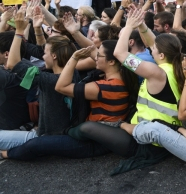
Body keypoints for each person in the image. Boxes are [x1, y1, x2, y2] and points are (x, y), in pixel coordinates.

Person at [64, 7, 185, 168]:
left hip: (148, 142)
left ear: (161, 55)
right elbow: (152, 42)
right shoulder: (176, 66)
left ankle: (65, 133)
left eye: (154, 49)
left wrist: (128, 26)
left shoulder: (156, 71)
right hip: (159, 133)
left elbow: (120, 54)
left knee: (87, 128)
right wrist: (141, 25)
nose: (151, 48)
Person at [0, 40, 139, 161]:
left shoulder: (106, 87)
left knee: (36, 144)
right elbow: (111, 57)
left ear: (111, 61)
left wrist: (74, 58)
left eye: (99, 55)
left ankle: (6, 154)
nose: (95, 57)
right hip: (98, 136)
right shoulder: (122, 77)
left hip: (93, 141)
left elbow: (61, 86)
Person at [0, 7, 77, 152]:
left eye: (46, 54)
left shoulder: (48, 80)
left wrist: (18, 32)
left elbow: (12, 63)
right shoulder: (73, 72)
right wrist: (37, 28)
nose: (41, 56)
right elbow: (45, 48)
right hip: (46, 132)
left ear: (54, 56)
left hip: (45, 137)